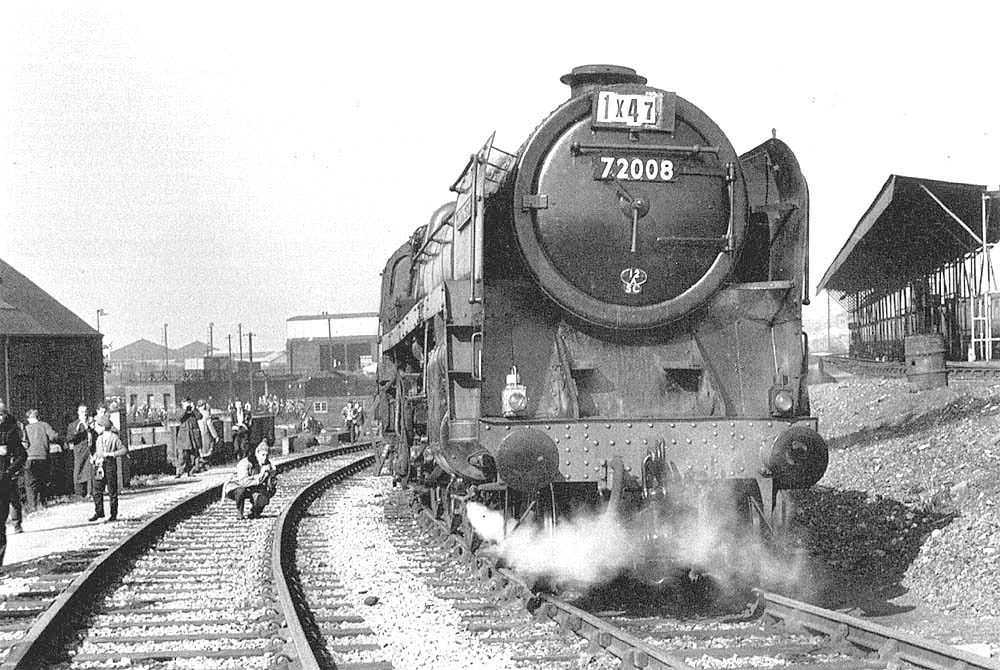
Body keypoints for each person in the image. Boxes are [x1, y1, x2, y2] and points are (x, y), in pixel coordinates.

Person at [1, 401, 28, 567]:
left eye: (1, 415)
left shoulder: (10, 432)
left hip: (3, 481)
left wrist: (8, 472)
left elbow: (21, 455)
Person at [222, 441, 277, 519]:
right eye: (263, 455)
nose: (265, 458)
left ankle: (255, 512)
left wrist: (271, 475)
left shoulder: (268, 465)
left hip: (251, 487)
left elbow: (272, 483)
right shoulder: (244, 463)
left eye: (267, 455)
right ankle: (240, 512)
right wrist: (260, 476)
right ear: (256, 453)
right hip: (236, 486)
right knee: (241, 490)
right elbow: (244, 482)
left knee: (264, 496)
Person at [89, 416, 128, 522]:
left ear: (103, 426)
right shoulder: (98, 439)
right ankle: (99, 511)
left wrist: (112, 454)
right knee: (96, 489)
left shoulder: (114, 438)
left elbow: (124, 450)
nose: (96, 427)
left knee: (112, 490)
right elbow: (98, 452)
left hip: (110, 465)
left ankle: (113, 514)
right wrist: (94, 458)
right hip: (100, 466)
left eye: (98, 425)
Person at [23, 409, 58, 513]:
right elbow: (53, 436)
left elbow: (24, 443)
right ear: (38, 417)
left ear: (29, 418)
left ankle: (32, 506)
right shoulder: (44, 425)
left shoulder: (26, 428)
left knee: (30, 484)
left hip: (30, 458)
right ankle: (43, 503)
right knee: (43, 481)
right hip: (43, 457)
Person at [66, 404, 94, 498]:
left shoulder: (91, 423)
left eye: (86, 411)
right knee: (78, 470)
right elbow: (69, 438)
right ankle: (79, 493)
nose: (84, 414)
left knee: (90, 470)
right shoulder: (73, 425)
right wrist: (77, 432)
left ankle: (90, 493)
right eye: (82, 412)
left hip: (90, 450)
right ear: (78, 413)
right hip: (79, 451)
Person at [174, 398, 202, 478]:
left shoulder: (193, 411)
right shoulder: (180, 410)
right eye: (186, 403)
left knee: (193, 454)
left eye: (189, 403)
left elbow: (200, 416)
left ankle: (191, 471)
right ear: (183, 403)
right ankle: (179, 472)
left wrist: (194, 409)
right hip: (184, 436)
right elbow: (179, 418)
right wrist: (185, 409)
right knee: (182, 454)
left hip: (192, 435)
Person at [195, 399, 219, 472]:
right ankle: (204, 465)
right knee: (206, 450)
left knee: (199, 451)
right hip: (205, 435)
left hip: (196, 435)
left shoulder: (195, 414)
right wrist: (215, 436)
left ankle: (198, 466)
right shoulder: (206, 414)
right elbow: (210, 426)